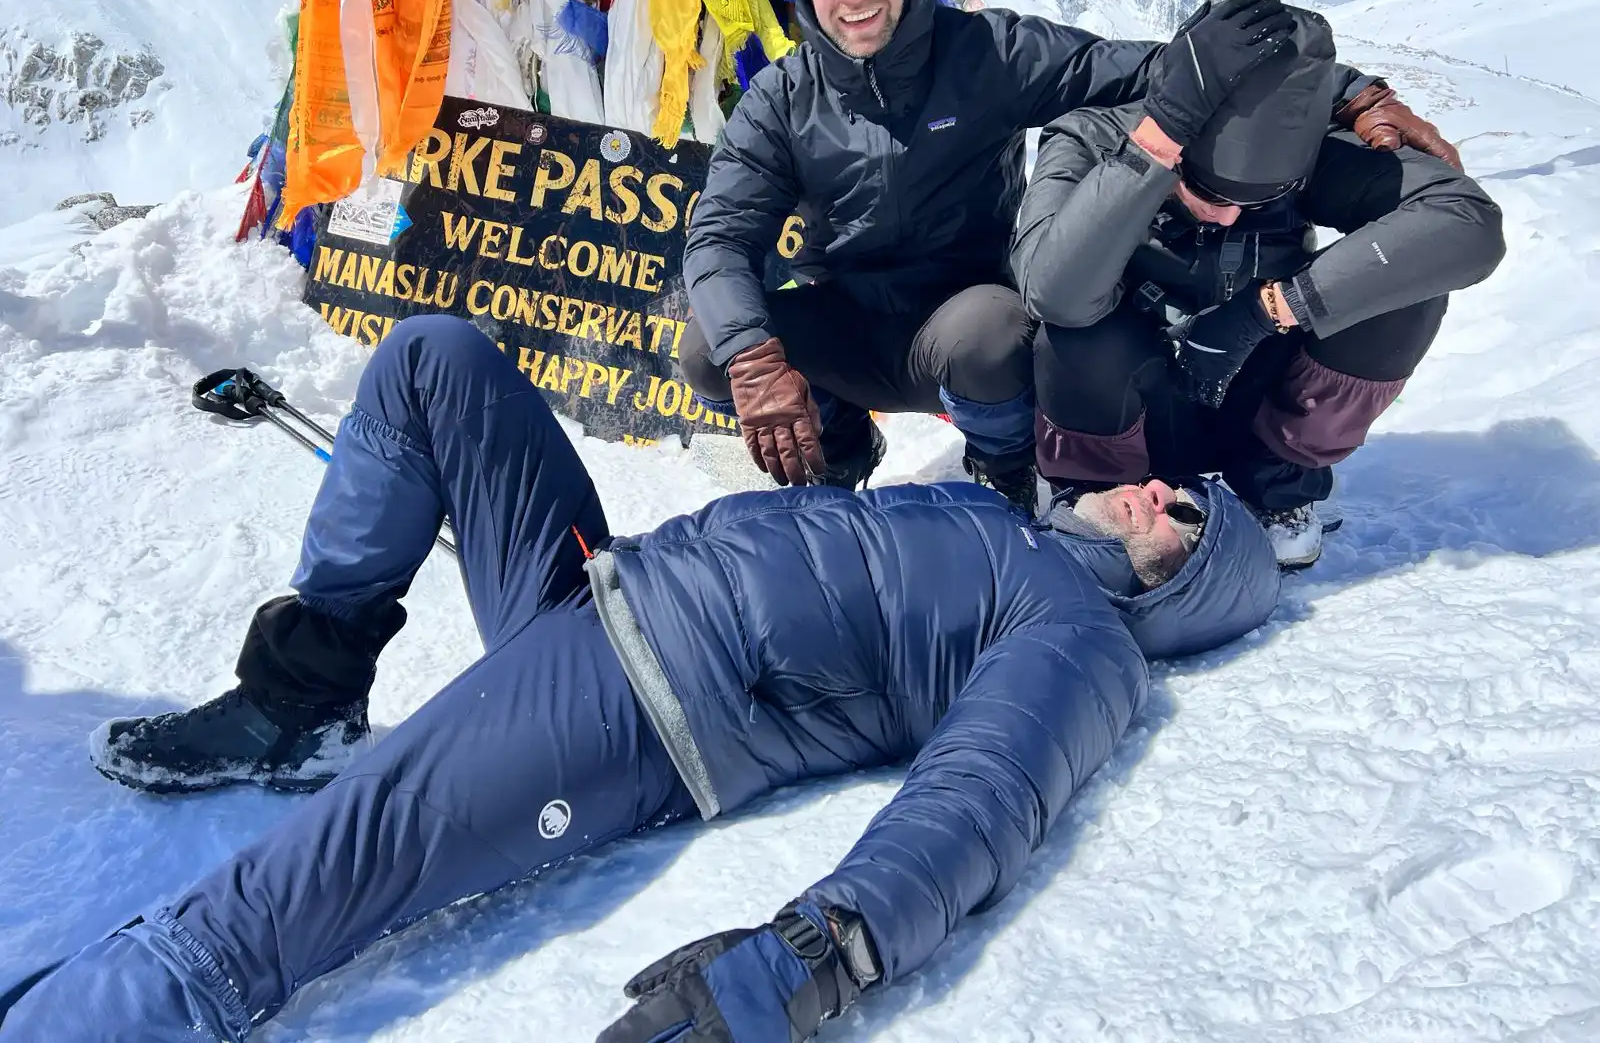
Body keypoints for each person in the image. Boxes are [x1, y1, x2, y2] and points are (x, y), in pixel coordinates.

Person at [2, 314, 1280, 1041]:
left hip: (640, 706)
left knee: (328, 868)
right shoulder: (1008, 524)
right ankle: (303, 698)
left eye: (1183, 520)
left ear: (1177, 590)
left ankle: (111, 1013)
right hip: (598, 590)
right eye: (1178, 480)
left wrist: (814, 955)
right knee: (434, 361)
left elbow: (988, 791)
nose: (1155, 489)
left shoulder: (1079, 639)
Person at [673, 0, 1441, 516]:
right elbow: (719, 237)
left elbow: (1161, 67)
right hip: (850, 318)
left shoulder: (989, 55)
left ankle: (1006, 468)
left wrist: (1345, 91)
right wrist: (754, 358)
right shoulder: (782, 98)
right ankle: (839, 449)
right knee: (710, 350)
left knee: (989, 333)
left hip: (972, 316)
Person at [1010, 4, 1505, 568]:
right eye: (1210, 193)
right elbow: (1051, 290)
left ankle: (1278, 491)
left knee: (1408, 288)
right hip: (1128, 409)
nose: (1227, 218)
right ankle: (1097, 494)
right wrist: (1149, 159)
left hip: (1257, 408)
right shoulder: (1090, 138)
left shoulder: (1312, 151)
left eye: (1260, 201)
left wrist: (1266, 310)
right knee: (1076, 328)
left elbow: (1469, 224)